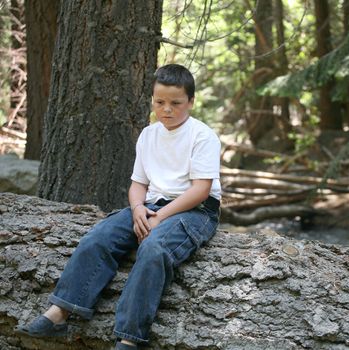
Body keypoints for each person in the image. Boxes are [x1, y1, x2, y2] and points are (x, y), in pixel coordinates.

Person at [15, 64, 222, 349]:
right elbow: (138, 183)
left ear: (191, 102)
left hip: (195, 210)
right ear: (152, 99)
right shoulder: (149, 135)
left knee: (153, 249)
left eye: (176, 103)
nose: (167, 109)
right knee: (99, 236)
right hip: (151, 204)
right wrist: (138, 208)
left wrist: (160, 217)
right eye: (159, 102)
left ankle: (129, 338)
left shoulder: (202, 136)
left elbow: (201, 190)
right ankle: (59, 312)